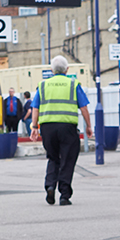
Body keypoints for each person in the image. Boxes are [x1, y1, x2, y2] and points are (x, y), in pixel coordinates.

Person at [30, 56, 92, 205]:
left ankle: (50, 185)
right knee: (68, 159)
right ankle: (64, 195)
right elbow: (83, 108)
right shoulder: (73, 84)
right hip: (67, 128)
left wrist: (34, 127)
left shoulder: (43, 85)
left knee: (53, 157)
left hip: (47, 128)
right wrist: (88, 126)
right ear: (67, 70)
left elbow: (35, 108)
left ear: (51, 70)